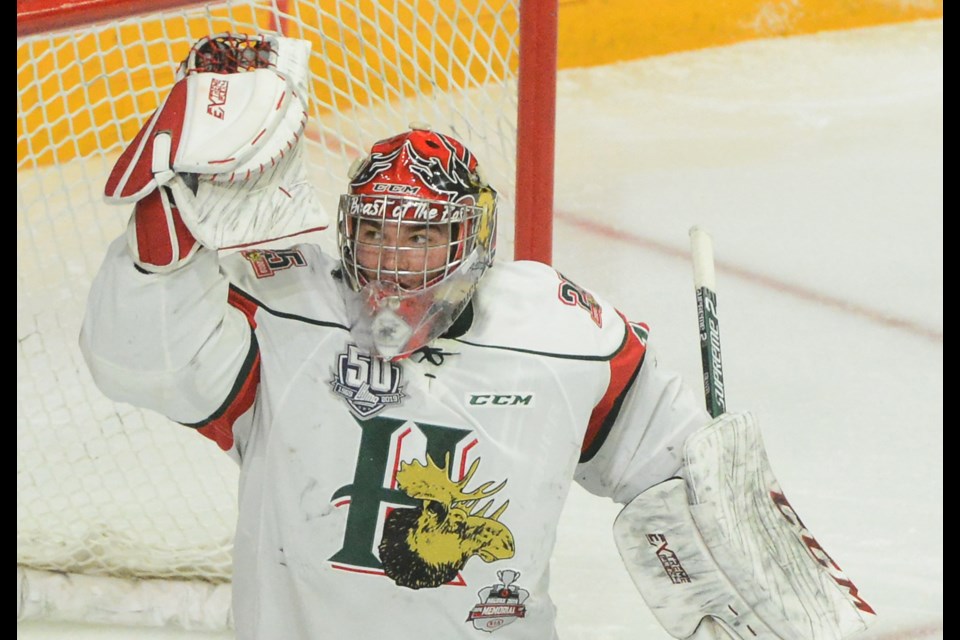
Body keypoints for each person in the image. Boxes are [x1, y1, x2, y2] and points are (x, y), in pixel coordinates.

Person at [79, 33, 876, 640]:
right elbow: (141, 361)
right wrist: (174, 216)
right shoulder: (290, 309)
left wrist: (731, 535)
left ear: (473, 244)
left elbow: (670, 465)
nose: (393, 268)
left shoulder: (560, 333)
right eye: (376, 239)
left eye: (422, 240)